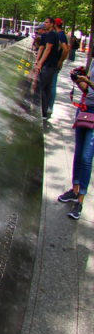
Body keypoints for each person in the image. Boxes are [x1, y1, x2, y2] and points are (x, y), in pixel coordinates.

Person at [59, 66, 94, 219]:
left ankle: (80, 200)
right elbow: (87, 89)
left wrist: (88, 81)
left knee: (87, 157)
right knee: (78, 153)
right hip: (84, 110)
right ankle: (74, 189)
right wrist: (78, 80)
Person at [33, 17, 62, 120]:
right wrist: (37, 61)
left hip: (49, 65)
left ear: (52, 24)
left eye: (46, 22)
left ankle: (43, 112)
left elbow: (48, 49)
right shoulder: (47, 35)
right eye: (44, 22)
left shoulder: (51, 35)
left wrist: (40, 62)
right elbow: (42, 48)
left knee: (41, 86)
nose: (44, 24)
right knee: (47, 88)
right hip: (49, 65)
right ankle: (44, 112)